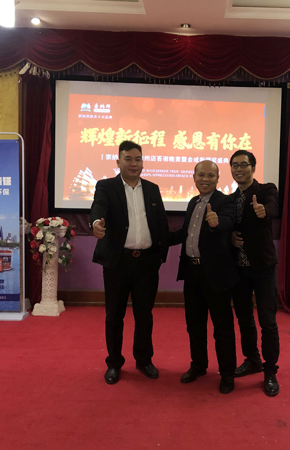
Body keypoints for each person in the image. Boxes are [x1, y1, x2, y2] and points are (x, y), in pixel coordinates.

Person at [90, 140, 169, 385]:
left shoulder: (153, 189)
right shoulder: (106, 186)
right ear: (118, 161)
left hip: (146, 264)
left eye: (137, 159)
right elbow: (98, 208)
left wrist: (161, 254)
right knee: (114, 316)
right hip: (118, 263)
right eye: (128, 159)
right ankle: (114, 363)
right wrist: (96, 223)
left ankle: (144, 360)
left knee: (144, 315)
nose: (134, 164)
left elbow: (160, 223)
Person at [170, 160, 239, 394]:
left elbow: (227, 221)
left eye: (211, 175)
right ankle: (198, 365)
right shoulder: (193, 202)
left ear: (218, 178)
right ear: (194, 177)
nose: (205, 179)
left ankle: (227, 373)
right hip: (193, 273)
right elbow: (186, 233)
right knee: (194, 325)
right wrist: (158, 239)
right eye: (201, 175)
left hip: (216, 275)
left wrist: (217, 223)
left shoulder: (225, 201)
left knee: (222, 327)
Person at [229, 149, 281, 397]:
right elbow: (228, 226)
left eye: (243, 165)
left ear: (253, 167)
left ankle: (270, 371)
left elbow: (273, 206)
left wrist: (264, 211)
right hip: (239, 269)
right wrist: (230, 236)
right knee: (244, 319)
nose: (239, 169)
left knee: (268, 322)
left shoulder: (265, 190)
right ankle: (252, 360)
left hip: (263, 268)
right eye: (235, 165)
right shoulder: (230, 199)